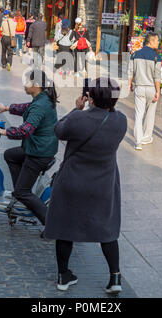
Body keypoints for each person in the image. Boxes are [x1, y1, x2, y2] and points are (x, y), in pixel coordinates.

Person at [44, 77, 127, 293]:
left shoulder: (78, 119)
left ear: (90, 97)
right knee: (107, 230)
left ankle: (64, 275)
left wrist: (76, 109)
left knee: (65, 227)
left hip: (73, 181)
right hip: (103, 184)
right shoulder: (122, 121)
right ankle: (115, 278)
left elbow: (59, 130)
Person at [0, 70, 58, 226]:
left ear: (36, 85)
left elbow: (24, 131)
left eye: (26, 82)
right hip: (39, 148)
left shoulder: (41, 104)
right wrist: (6, 108)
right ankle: (20, 194)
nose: (24, 85)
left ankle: (50, 225)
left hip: (39, 153)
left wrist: (4, 131)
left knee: (23, 191)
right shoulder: (41, 99)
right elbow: (26, 108)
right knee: (10, 155)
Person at [128, 32, 162, 151]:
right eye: (157, 40)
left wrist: (130, 85)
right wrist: (158, 91)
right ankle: (146, 137)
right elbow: (157, 76)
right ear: (151, 41)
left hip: (139, 87)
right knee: (150, 114)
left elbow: (131, 71)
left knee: (139, 114)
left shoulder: (135, 54)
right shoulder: (157, 57)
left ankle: (138, 142)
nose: (158, 42)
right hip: (151, 88)